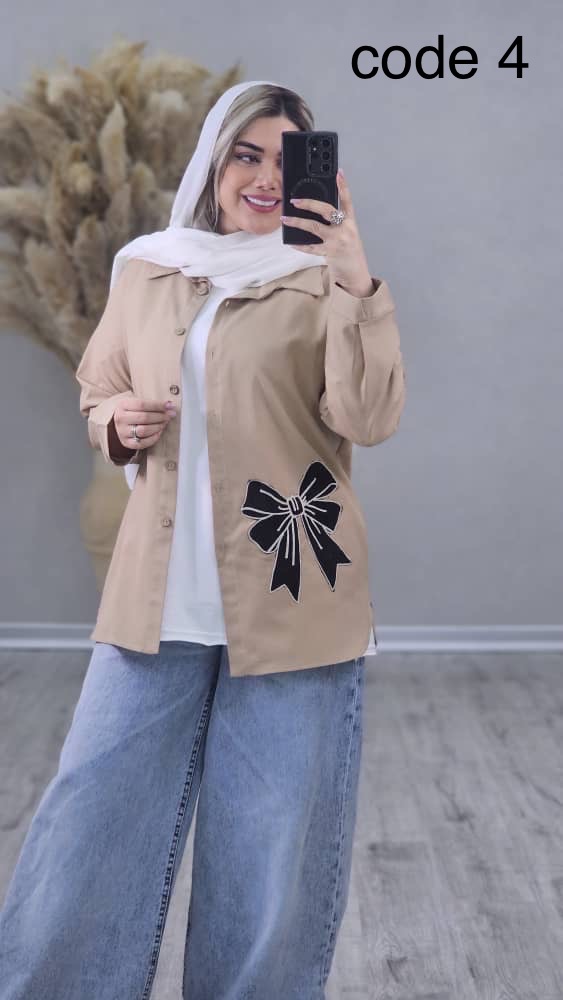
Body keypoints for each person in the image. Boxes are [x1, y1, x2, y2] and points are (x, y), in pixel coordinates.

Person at [0, 80, 406, 999]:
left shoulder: (324, 281)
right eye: (245, 155)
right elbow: (99, 386)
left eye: (286, 159)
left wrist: (354, 277)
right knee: (89, 819)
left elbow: (369, 417)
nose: (264, 177)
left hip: (293, 591)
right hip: (157, 594)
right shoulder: (149, 268)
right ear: (213, 165)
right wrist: (116, 422)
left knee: (267, 850)